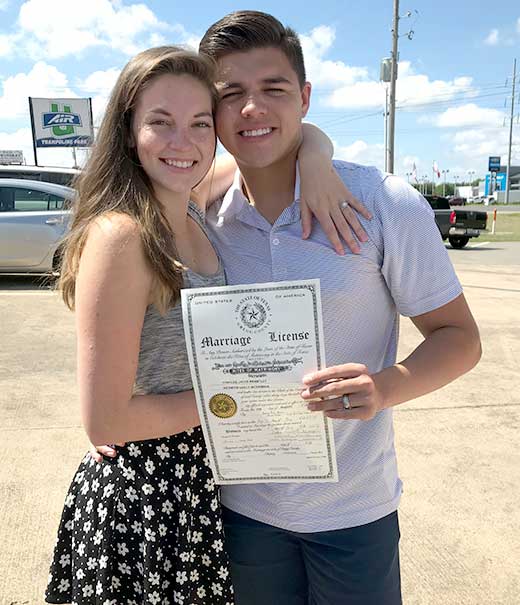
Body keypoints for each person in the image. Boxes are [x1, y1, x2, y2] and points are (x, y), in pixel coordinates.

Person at [45, 45, 368, 605]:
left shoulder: (188, 202)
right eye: (160, 122)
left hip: (199, 483)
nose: (183, 142)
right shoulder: (123, 236)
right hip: (146, 499)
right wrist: (241, 397)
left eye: (199, 123)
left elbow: (281, 145)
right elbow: (104, 421)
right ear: (127, 131)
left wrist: (315, 156)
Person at [192, 11, 481, 605]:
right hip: (243, 510)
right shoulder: (202, 214)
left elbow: (459, 338)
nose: (252, 108)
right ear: (213, 112)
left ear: (304, 97)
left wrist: (384, 387)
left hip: (354, 510)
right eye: (231, 94)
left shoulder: (382, 203)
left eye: (273, 88)